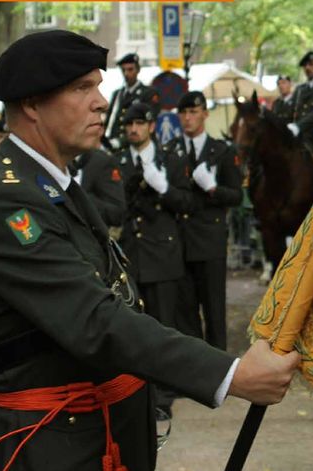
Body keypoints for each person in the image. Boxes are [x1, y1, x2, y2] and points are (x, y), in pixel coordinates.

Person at [0, 31, 298, 471]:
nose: (101, 102)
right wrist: (231, 374)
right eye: (82, 88)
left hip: (94, 429)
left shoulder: (48, 181)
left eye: (98, 86)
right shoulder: (6, 200)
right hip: (50, 442)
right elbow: (95, 320)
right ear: (33, 105)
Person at [116, 102, 192, 419]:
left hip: (161, 253)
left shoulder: (171, 160)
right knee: (132, 326)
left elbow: (187, 203)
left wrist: (164, 188)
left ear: (151, 127)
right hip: (130, 256)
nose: (133, 129)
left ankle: (163, 394)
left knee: (163, 325)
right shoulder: (116, 162)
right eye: (128, 124)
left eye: (139, 123)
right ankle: (137, 389)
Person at [167, 91, 242, 350]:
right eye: (183, 113)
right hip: (180, 241)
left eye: (193, 112)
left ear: (205, 114)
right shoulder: (170, 151)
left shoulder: (221, 151)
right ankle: (195, 368)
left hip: (209, 241)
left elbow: (236, 195)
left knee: (213, 309)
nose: (188, 118)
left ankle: (219, 366)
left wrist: (213, 189)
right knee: (186, 312)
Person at [103, 53, 160, 149]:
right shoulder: (117, 94)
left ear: (138, 70)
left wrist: (119, 142)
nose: (126, 74)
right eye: (123, 70)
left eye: (130, 69)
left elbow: (147, 123)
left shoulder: (149, 94)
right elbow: (109, 121)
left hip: (137, 146)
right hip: (113, 146)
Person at [72, 147, 126, 238]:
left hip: (86, 240)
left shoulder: (102, 162)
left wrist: (80, 197)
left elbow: (117, 212)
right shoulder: (49, 158)